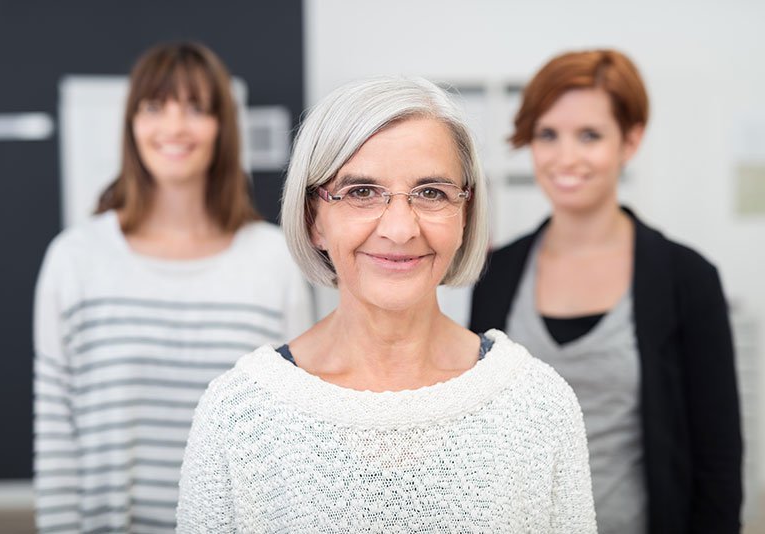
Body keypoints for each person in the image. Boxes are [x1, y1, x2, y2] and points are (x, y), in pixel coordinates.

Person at [176, 76, 597, 532]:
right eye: (361, 192)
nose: (400, 229)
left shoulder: (538, 405)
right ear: (313, 218)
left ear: (465, 217)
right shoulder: (239, 414)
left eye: (431, 193)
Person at [33, 42, 313, 533]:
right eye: (155, 106)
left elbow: (295, 424)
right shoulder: (74, 258)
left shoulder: (274, 260)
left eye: (197, 108)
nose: (174, 127)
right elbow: (57, 434)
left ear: (223, 127)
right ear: (131, 125)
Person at [470, 49, 742, 534]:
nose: (565, 158)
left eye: (590, 136)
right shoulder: (497, 271)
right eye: (547, 134)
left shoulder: (687, 277)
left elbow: (718, 457)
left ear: (630, 140)